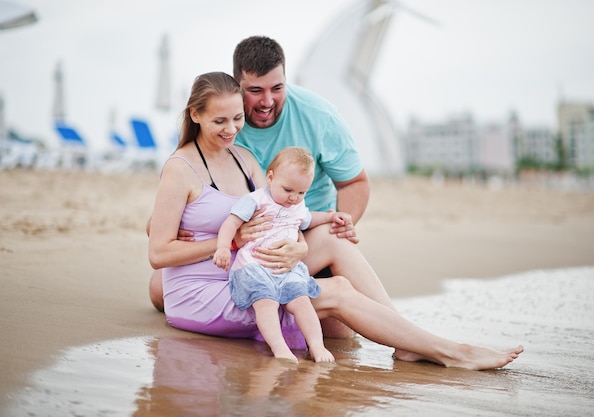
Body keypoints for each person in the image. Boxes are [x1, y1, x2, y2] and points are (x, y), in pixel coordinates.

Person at [148, 70, 524, 370]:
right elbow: (159, 254)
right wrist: (229, 241)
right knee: (339, 290)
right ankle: (451, 352)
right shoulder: (180, 169)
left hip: (251, 266)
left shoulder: (243, 158)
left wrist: (296, 244)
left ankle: (407, 340)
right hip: (202, 293)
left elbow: (277, 214)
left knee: (328, 236)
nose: (231, 128)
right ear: (195, 115)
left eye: (236, 118)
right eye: (219, 121)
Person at [149, 37, 369, 335]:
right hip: (243, 237)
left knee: (339, 333)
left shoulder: (320, 116)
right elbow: (176, 207)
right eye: (255, 91)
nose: (267, 101)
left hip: (304, 226)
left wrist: (339, 225)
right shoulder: (221, 125)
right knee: (160, 291)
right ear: (237, 88)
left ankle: (398, 331)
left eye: (277, 88)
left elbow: (354, 182)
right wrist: (169, 227)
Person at [214, 147, 348, 363]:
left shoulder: (297, 205)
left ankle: (317, 346)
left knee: (301, 301)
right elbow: (231, 222)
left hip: (286, 268)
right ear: (270, 177)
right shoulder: (256, 200)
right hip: (254, 265)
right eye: (288, 190)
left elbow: (308, 219)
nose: (294, 198)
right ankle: (280, 349)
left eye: (301, 192)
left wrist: (331, 217)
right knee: (266, 302)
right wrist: (222, 247)